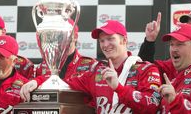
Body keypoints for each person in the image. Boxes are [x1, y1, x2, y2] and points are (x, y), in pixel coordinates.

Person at [21, 20, 162, 113]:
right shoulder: (96, 73)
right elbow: (64, 83)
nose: (105, 45)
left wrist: (118, 88)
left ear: (124, 40)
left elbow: (151, 105)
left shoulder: (146, 69)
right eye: (102, 41)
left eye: (110, 39)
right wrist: (37, 82)